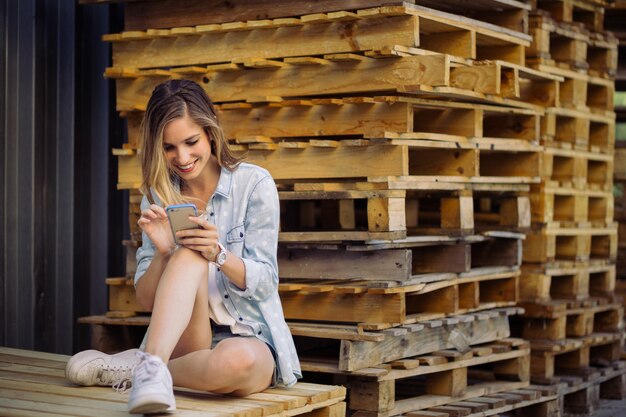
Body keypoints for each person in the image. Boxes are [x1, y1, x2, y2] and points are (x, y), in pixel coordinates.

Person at [66, 79, 301, 414]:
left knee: (238, 362)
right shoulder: (158, 197)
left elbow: (266, 282)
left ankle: (144, 369)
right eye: (169, 147)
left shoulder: (254, 185)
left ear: (210, 133)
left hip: (249, 337)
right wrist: (164, 254)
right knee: (187, 249)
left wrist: (218, 254)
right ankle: (154, 365)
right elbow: (146, 300)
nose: (183, 157)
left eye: (191, 142)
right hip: (186, 340)